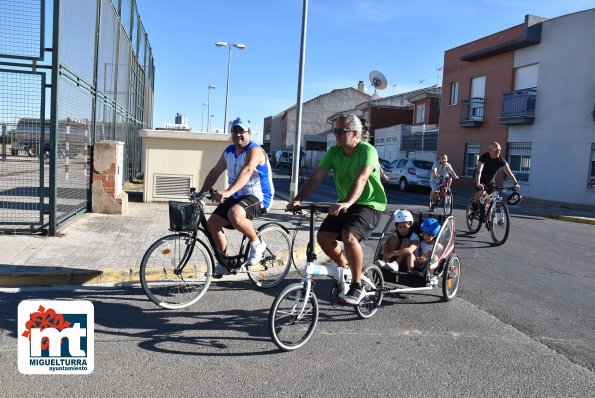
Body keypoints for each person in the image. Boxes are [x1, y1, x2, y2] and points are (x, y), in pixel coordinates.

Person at [286, 113, 387, 305]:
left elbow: (362, 179)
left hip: (369, 204)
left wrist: (347, 203)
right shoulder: (334, 152)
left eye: (341, 131)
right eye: (335, 130)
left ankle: (357, 285)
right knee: (323, 237)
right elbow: (316, 178)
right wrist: (297, 200)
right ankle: (345, 268)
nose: (336, 134)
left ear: (355, 133)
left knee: (349, 235)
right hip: (346, 202)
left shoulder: (368, 151)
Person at [198, 117, 274, 276]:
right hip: (238, 195)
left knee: (235, 213)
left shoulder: (255, 151)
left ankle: (257, 243)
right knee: (213, 223)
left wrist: (227, 192)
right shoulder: (229, 151)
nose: (238, 134)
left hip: (258, 196)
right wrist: (200, 193)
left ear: (249, 133)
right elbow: (214, 172)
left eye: (242, 131)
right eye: (235, 131)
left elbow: (247, 172)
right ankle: (224, 262)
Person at [472, 142, 520, 213]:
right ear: (490, 150)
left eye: (500, 150)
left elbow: (509, 173)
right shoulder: (484, 157)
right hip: (479, 179)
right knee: (482, 191)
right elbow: (479, 170)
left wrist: (515, 183)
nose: (499, 151)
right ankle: (474, 203)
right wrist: (478, 183)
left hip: (490, 182)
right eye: (497, 150)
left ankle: (489, 222)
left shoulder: (500, 160)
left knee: (490, 202)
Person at [414, 218, 443, 286]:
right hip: (420, 262)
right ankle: (411, 270)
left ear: (434, 235)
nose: (425, 237)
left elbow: (438, 259)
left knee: (435, 257)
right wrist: (419, 258)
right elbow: (419, 253)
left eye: (429, 235)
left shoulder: (438, 246)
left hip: (429, 266)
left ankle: (423, 273)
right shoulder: (422, 243)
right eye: (424, 234)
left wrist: (429, 258)